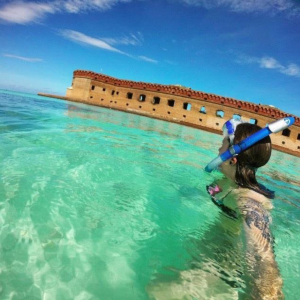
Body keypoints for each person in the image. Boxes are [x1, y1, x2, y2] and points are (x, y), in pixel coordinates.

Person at [207, 120, 284, 299]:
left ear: (233, 158)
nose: (218, 151)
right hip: (219, 260)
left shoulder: (247, 200)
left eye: (222, 145)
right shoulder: (229, 184)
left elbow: (261, 259)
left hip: (222, 272)